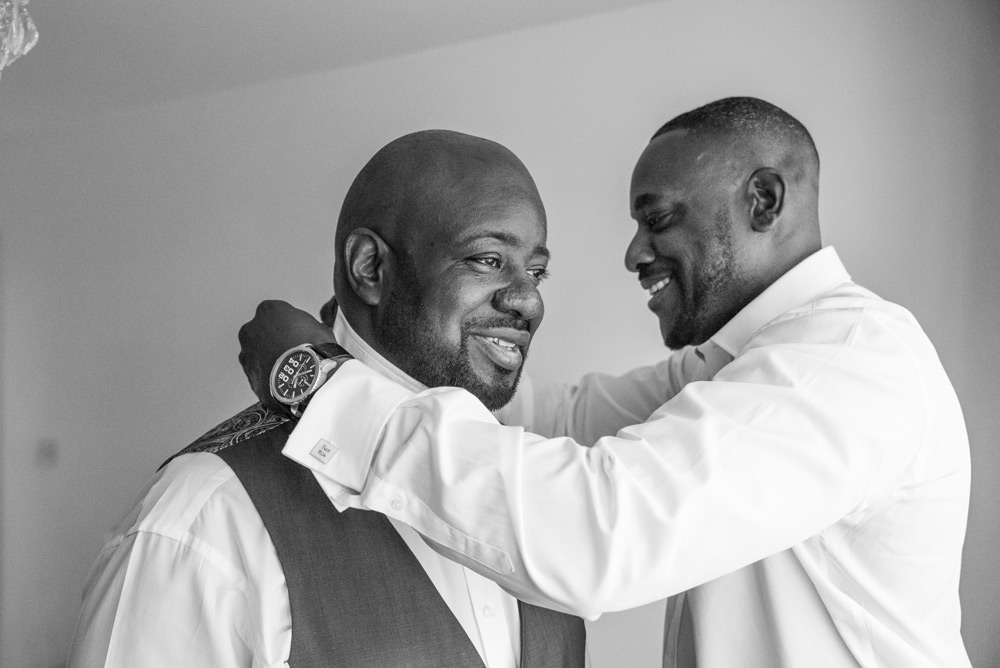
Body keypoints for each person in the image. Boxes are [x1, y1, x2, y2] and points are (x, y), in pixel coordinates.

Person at [237, 98, 973, 667]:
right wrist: (386, 347)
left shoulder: (847, 362)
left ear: (764, 201)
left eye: (658, 220)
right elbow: (557, 417)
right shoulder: (741, 369)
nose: (633, 253)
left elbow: (596, 536)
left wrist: (320, 385)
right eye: (490, 260)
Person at [66, 130, 590, 668]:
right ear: (369, 267)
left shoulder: (536, 491)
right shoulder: (203, 515)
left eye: (536, 270)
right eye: (487, 260)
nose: (529, 300)